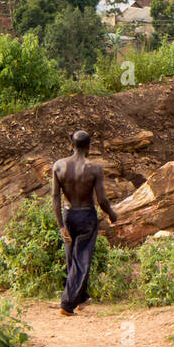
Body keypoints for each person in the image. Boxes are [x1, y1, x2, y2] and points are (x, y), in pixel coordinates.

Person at [51, 130, 117, 316]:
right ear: (89, 147)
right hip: (87, 215)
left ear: (71, 145)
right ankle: (67, 304)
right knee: (82, 259)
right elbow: (102, 200)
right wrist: (112, 214)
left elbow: (55, 198)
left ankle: (81, 297)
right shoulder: (94, 168)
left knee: (72, 258)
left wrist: (61, 226)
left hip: (67, 214)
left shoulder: (58, 166)